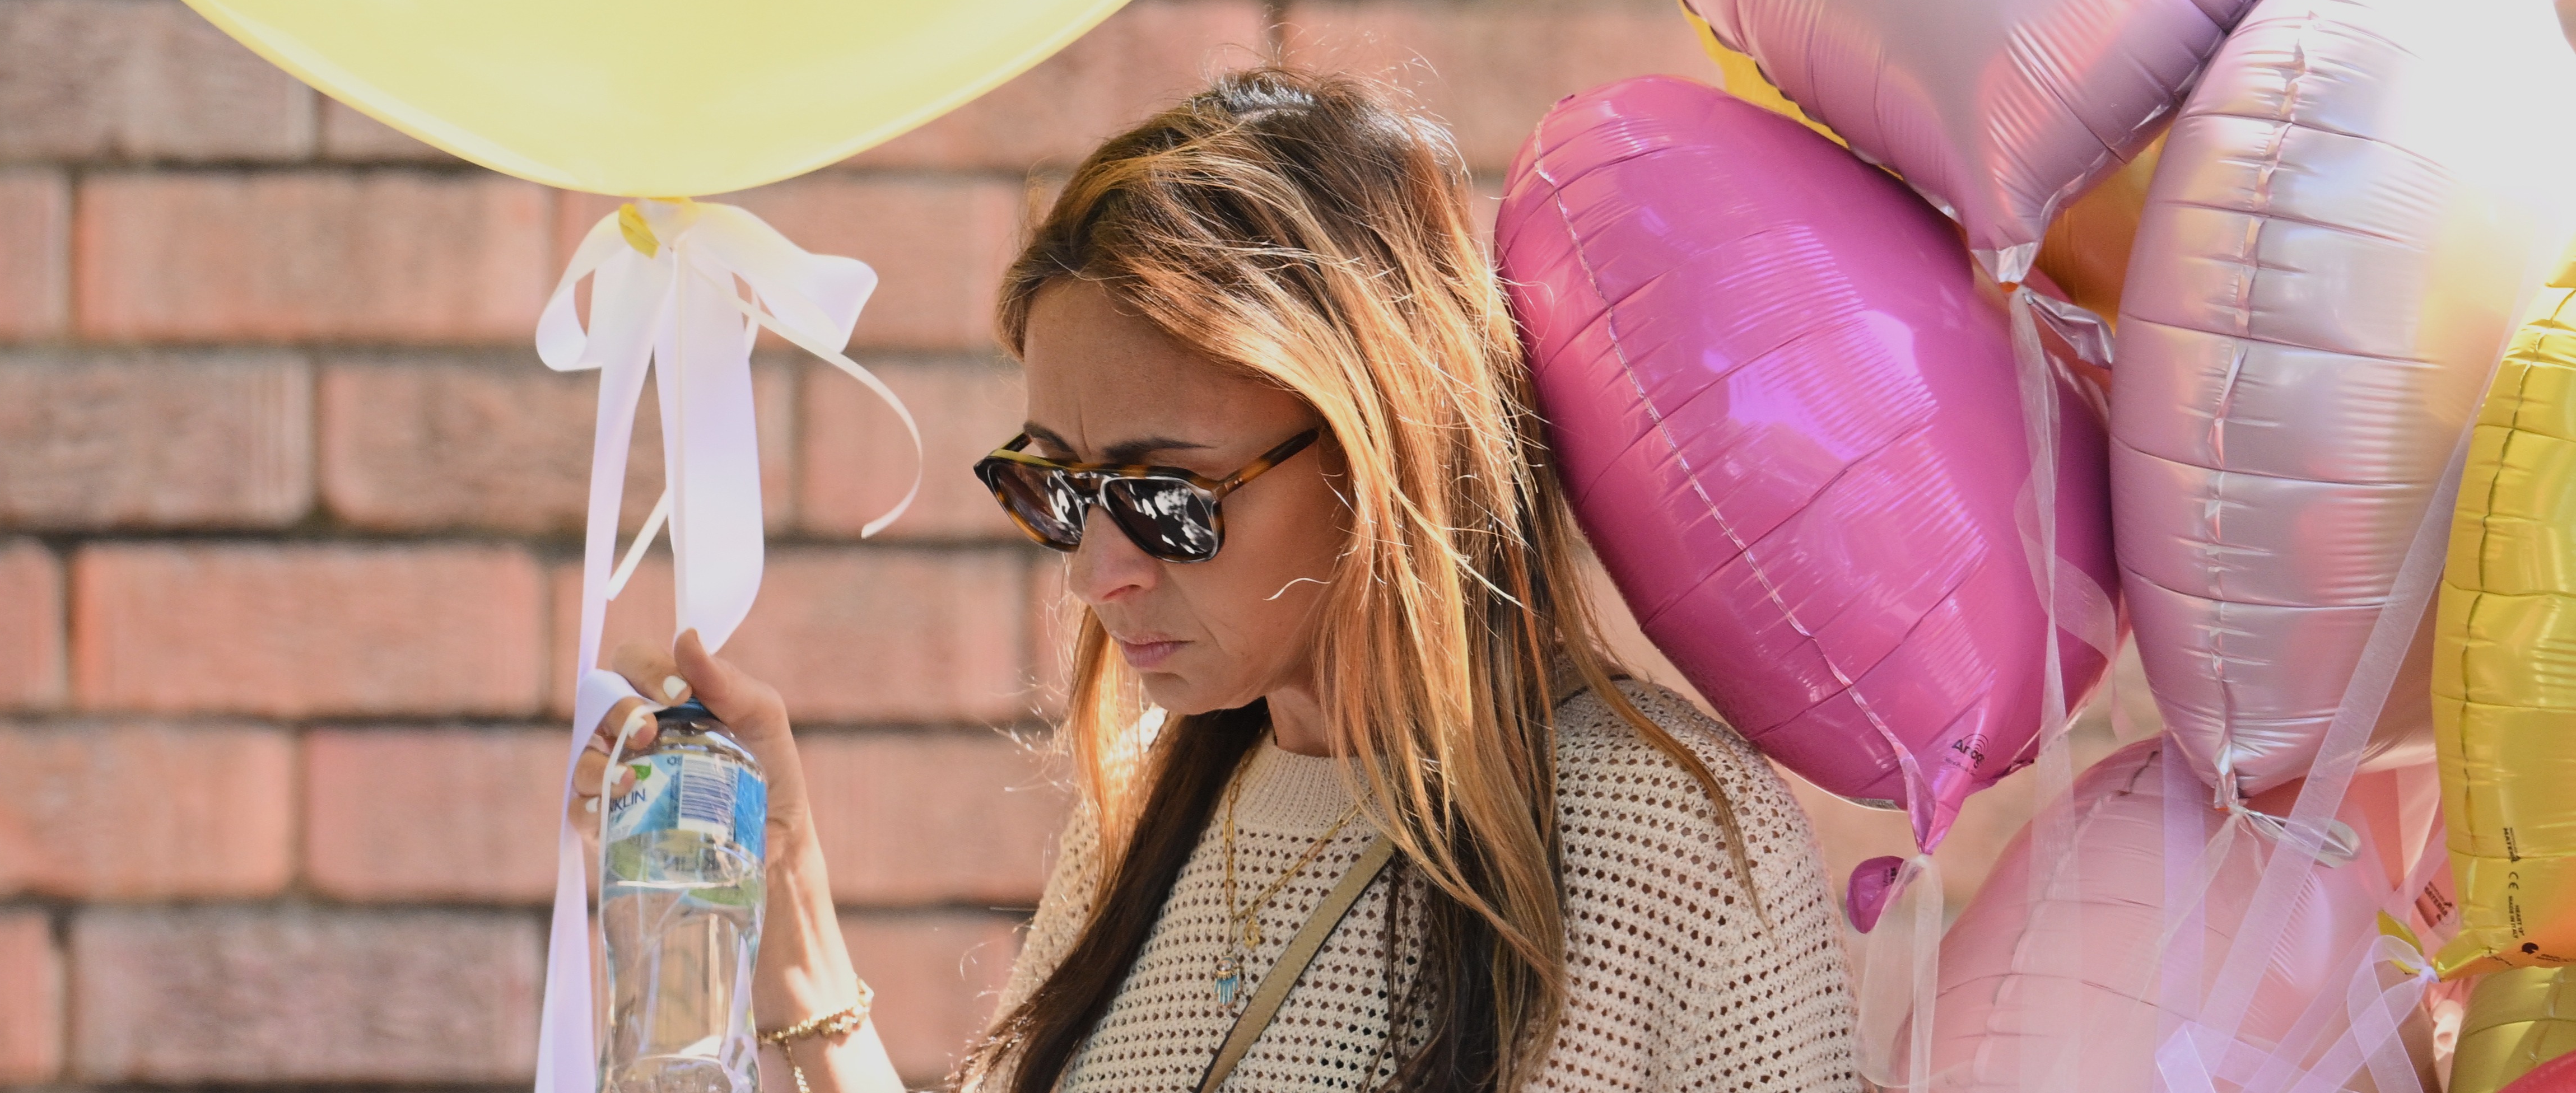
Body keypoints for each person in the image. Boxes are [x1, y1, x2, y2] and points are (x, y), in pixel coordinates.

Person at [590, 68, 1862, 1093]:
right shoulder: (1153, 804)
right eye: (1057, 488)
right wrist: (791, 927)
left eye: (1161, 496)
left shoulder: (1664, 838)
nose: (1097, 572)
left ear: (1377, 442)